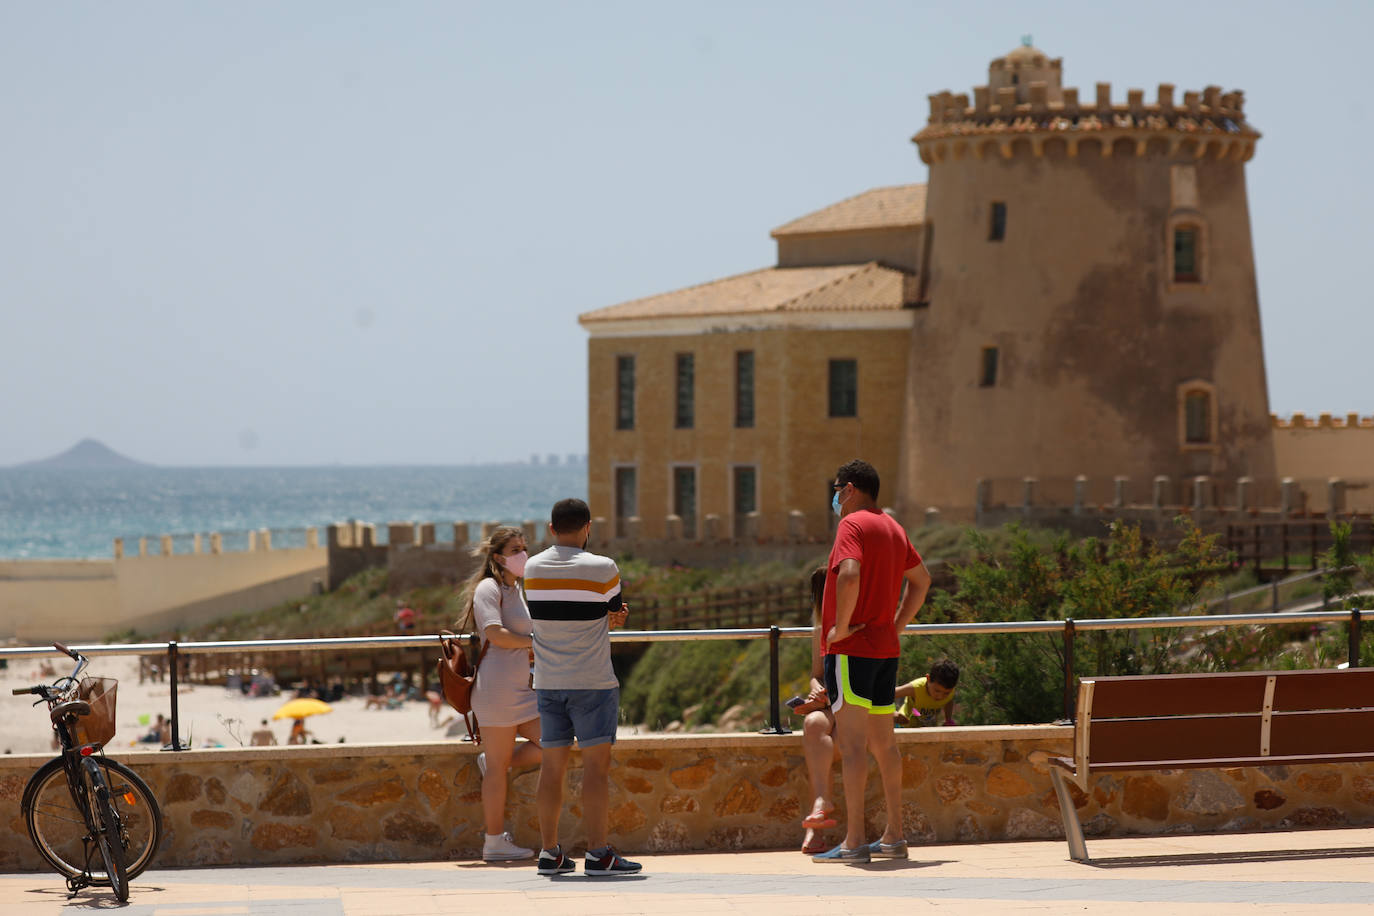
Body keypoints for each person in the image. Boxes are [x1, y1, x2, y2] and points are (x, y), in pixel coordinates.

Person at [814, 459, 931, 864]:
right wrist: (896, 626)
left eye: (835, 489)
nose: (834, 497)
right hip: (885, 650)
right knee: (886, 745)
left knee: (852, 747)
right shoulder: (894, 527)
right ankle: (894, 835)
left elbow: (849, 573)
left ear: (848, 489)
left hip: (852, 651)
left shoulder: (852, 525)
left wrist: (840, 627)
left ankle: (854, 841)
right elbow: (922, 580)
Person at [525, 498, 640, 876]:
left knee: (551, 770)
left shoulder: (533, 567)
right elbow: (612, 610)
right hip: (592, 682)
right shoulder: (603, 567)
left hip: (548, 682)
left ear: (551, 528)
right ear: (587, 527)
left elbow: (557, 613)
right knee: (595, 771)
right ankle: (598, 853)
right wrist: (615, 619)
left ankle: (548, 852)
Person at [458, 525, 542, 863]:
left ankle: (496, 761)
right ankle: (494, 842)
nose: (523, 555)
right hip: (495, 690)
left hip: (521, 689)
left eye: (524, 547)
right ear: (497, 557)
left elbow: (517, 635)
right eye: (515, 550)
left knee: (557, 743)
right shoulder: (488, 589)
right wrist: (534, 644)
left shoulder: (516, 588)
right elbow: (494, 633)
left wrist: (531, 648)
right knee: (496, 769)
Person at [795, 566, 838, 855]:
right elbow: (816, 673)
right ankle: (820, 809)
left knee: (818, 746)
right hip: (828, 702)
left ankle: (817, 825)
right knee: (812, 725)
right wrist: (816, 690)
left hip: (852, 702)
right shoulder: (821, 628)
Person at [895, 659, 960, 727]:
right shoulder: (916, 688)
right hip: (903, 725)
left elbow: (949, 701)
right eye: (937, 691)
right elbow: (887, 694)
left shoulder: (950, 691)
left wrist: (948, 719)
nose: (940, 696)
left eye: (946, 693)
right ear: (928, 679)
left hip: (925, 729)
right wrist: (892, 713)